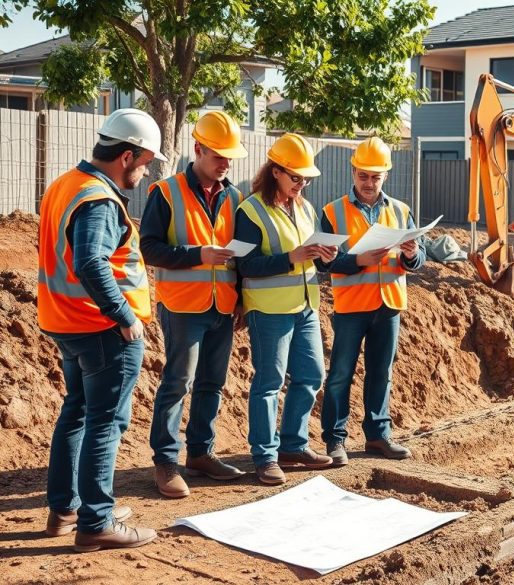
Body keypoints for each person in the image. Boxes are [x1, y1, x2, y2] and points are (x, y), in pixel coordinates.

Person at [37, 108, 167, 551]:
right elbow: (91, 261)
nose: (146, 170)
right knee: (104, 423)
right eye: (145, 161)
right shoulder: (98, 198)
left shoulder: (66, 185)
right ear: (126, 156)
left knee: (76, 414)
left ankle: (66, 509)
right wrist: (125, 316)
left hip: (68, 323)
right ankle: (97, 521)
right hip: (101, 329)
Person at [140, 111, 249, 498]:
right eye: (218, 155)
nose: (225, 163)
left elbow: (240, 256)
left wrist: (241, 299)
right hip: (183, 305)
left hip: (223, 305)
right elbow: (149, 248)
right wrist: (198, 254)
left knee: (212, 383)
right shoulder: (165, 193)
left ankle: (201, 453)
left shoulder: (235, 197)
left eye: (229, 157)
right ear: (197, 149)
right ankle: (166, 461)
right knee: (177, 382)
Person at [234, 132, 336, 485]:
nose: (302, 183)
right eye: (296, 177)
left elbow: (313, 260)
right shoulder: (250, 210)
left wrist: (325, 257)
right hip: (269, 309)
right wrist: (290, 258)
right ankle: (264, 456)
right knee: (269, 383)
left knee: (311, 376)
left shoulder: (306, 208)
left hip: (306, 306)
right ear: (275, 171)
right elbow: (245, 266)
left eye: (306, 177)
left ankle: (293, 445)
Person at [317, 137, 424, 466]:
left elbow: (417, 262)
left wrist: (411, 255)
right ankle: (335, 440)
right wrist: (358, 261)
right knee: (340, 374)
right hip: (351, 306)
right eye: (363, 176)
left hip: (389, 305)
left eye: (375, 177)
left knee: (382, 372)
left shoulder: (401, 211)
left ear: (385, 177)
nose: (368, 183)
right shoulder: (332, 212)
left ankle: (378, 436)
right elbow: (323, 263)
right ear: (353, 172)